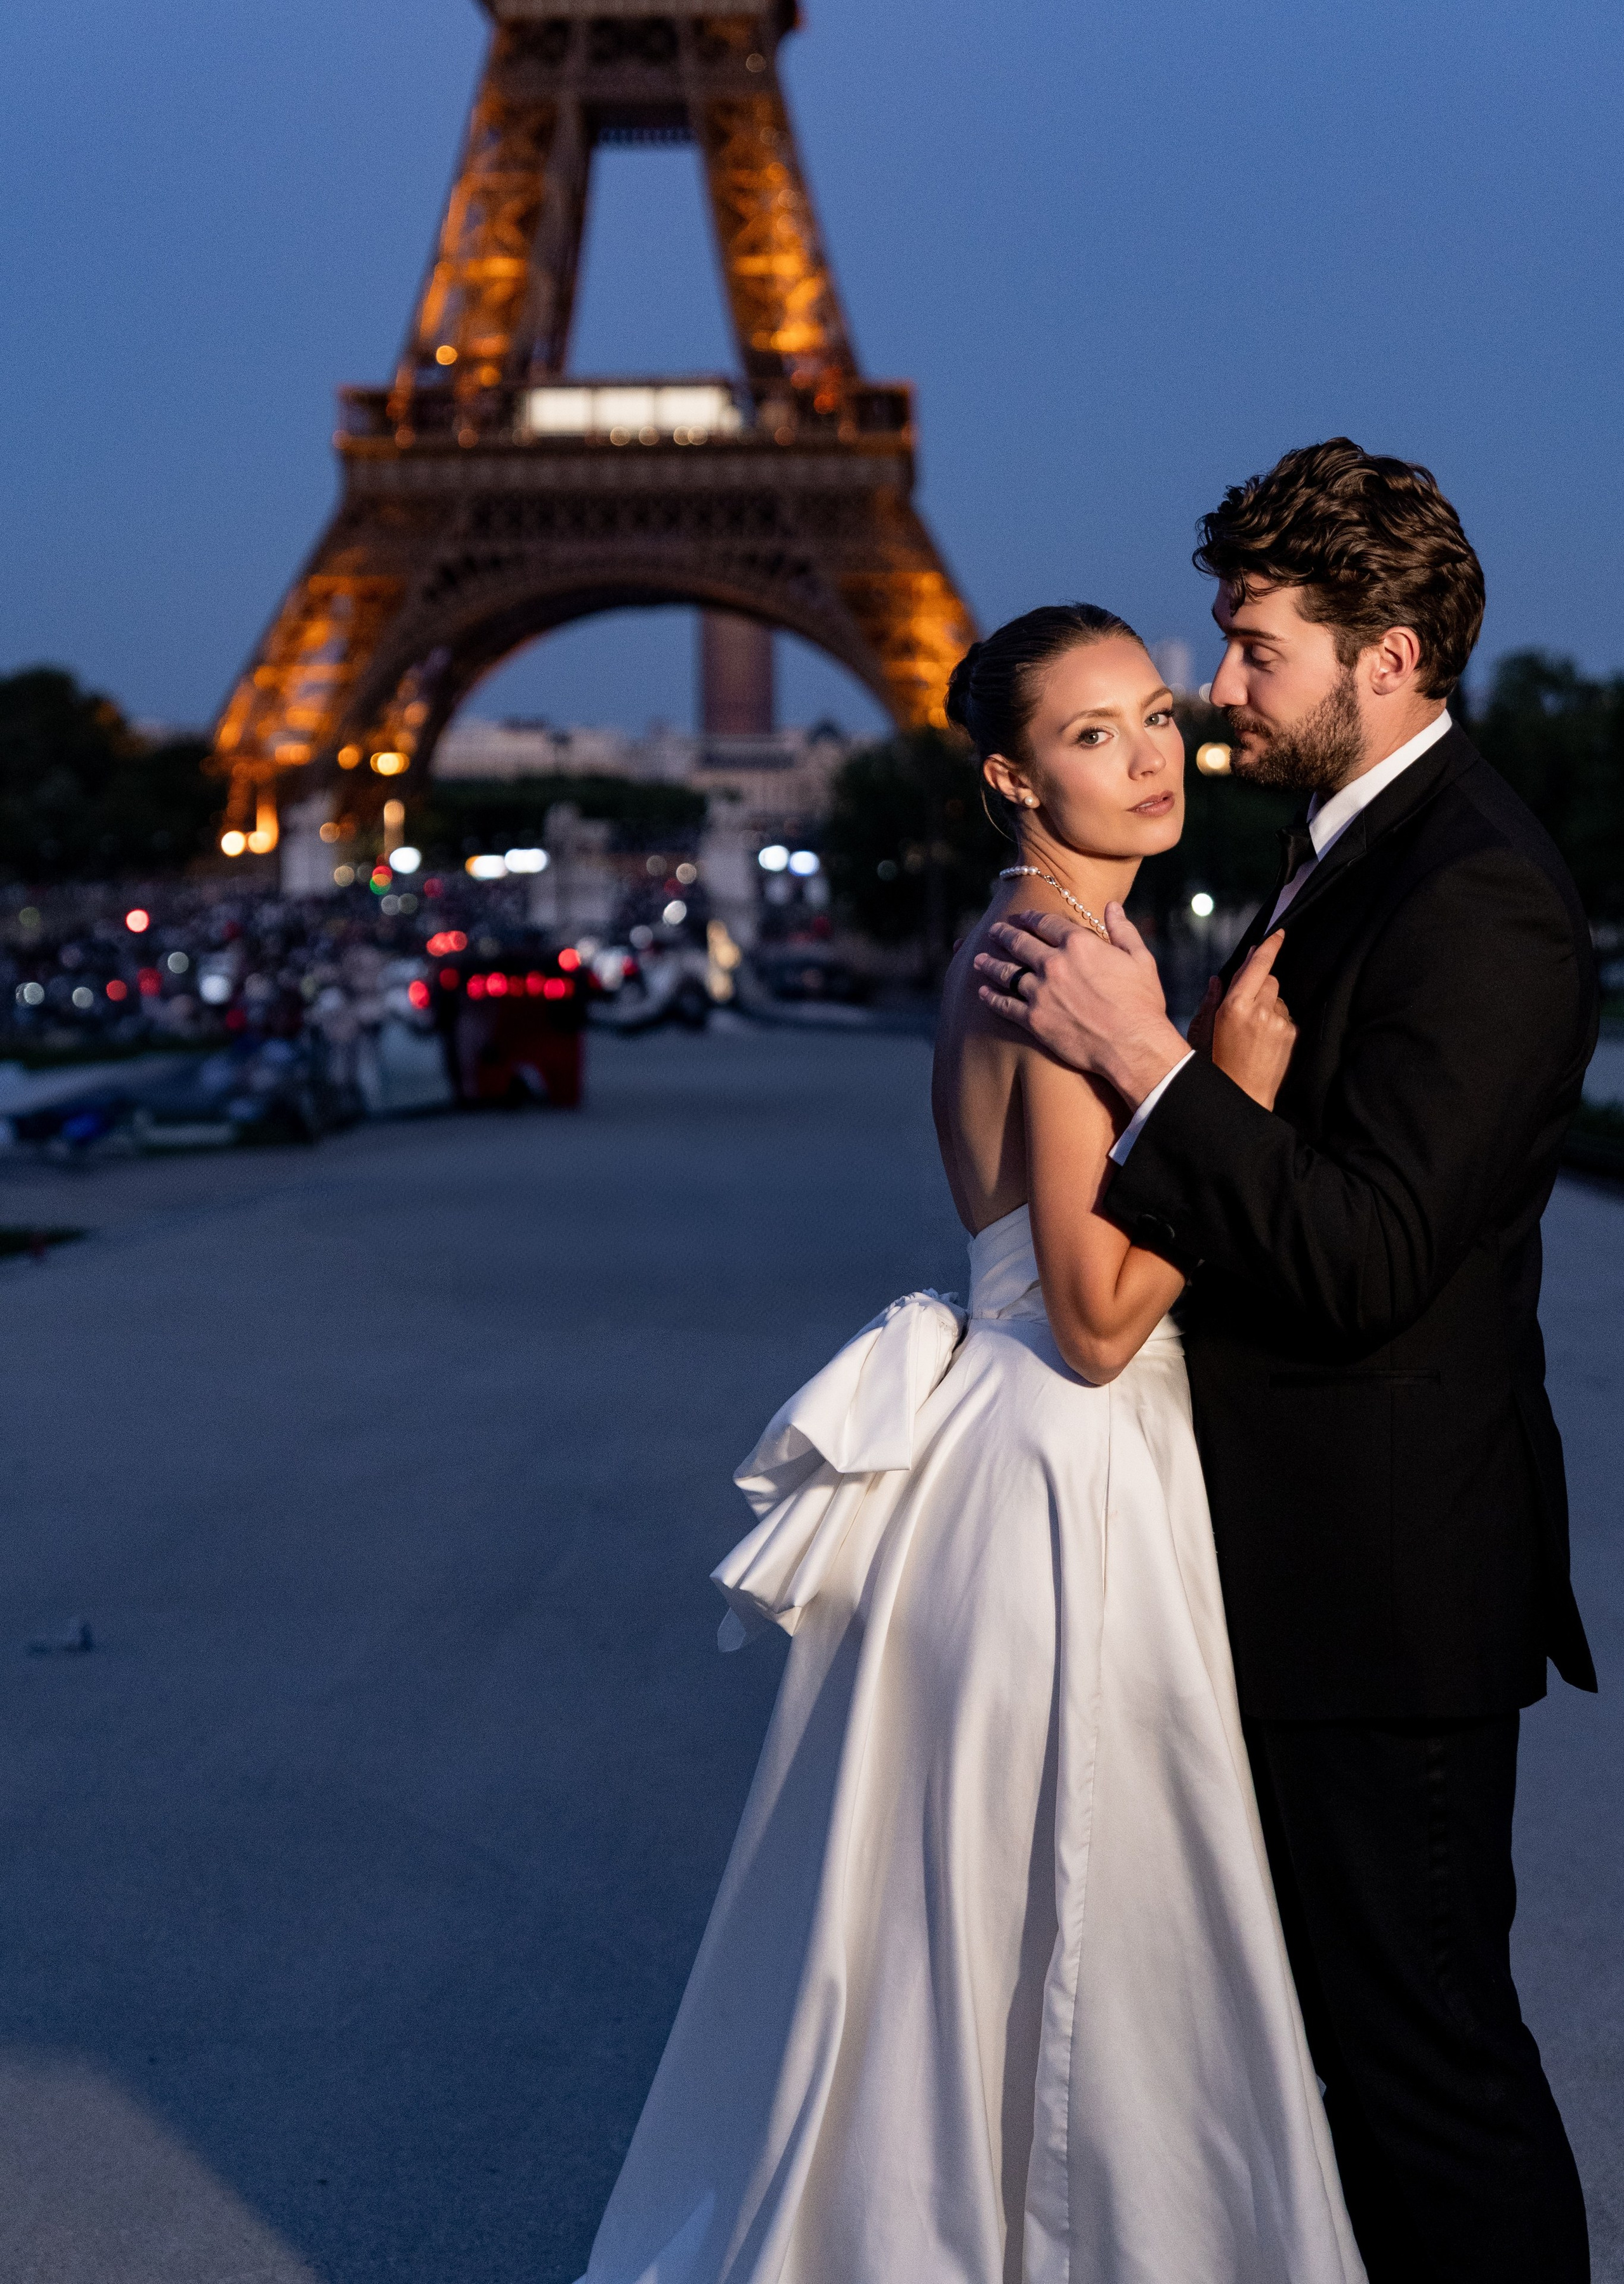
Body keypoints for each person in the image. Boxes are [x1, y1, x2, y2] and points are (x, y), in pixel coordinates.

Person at [571, 605, 1366, 2284]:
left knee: (983, 1939)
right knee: (1099, 1927)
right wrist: (1231, 1089)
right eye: (1095, 734)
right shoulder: (1071, 959)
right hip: (1067, 1462)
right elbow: (1094, 1307)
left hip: (1010, 1458)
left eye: (1157, 713)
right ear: (1012, 775)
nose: (1152, 751)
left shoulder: (1021, 931)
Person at [978, 441, 1597, 2283]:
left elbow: (1368, 1252)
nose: (1217, 686)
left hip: (1380, 1597)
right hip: (1309, 1577)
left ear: (1385, 657)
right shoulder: (1363, 859)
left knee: (1426, 2077)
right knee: (1358, 2071)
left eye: (1254, 649)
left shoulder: (1470, 890)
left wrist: (1156, 1069)